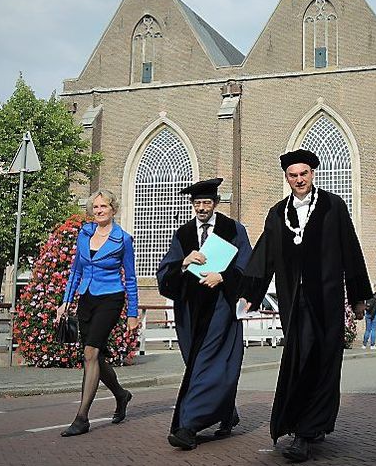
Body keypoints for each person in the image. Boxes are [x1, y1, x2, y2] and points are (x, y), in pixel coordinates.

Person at [239, 149, 372, 463]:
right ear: (287, 178)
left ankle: (309, 429)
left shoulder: (332, 206)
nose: (299, 180)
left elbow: (350, 249)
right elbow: (264, 255)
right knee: (302, 360)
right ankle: (303, 428)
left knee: (324, 361)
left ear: (313, 174)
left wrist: (358, 296)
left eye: (304, 174)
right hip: (293, 302)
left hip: (325, 300)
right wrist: (250, 293)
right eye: (292, 176)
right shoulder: (277, 213)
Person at [156, 178, 253, 450]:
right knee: (197, 364)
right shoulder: (184, 234)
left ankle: (189, 426)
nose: (202, 207)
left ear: (215, 203)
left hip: (221, 309)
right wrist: (185, 261)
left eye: (206, 202)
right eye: (197, 203)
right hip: (190, 311)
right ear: (192, 205)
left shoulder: (233, 229)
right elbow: (165, 273)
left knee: (208, 365)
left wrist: (222, 277)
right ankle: (226, 412)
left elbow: (248, 265)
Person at [56, 189, 139, 436]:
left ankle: (81, 418)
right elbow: (75, 271)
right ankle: (121, 395)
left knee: (90, 352)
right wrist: (65, 301)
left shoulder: (122, 239)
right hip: (86, 298)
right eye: (96, 207)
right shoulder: (84, 234)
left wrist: (132, 314)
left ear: (113, 209)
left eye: (103, 206)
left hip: (110, 298)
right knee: (94, 356)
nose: (99, 210)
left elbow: (131, 278)